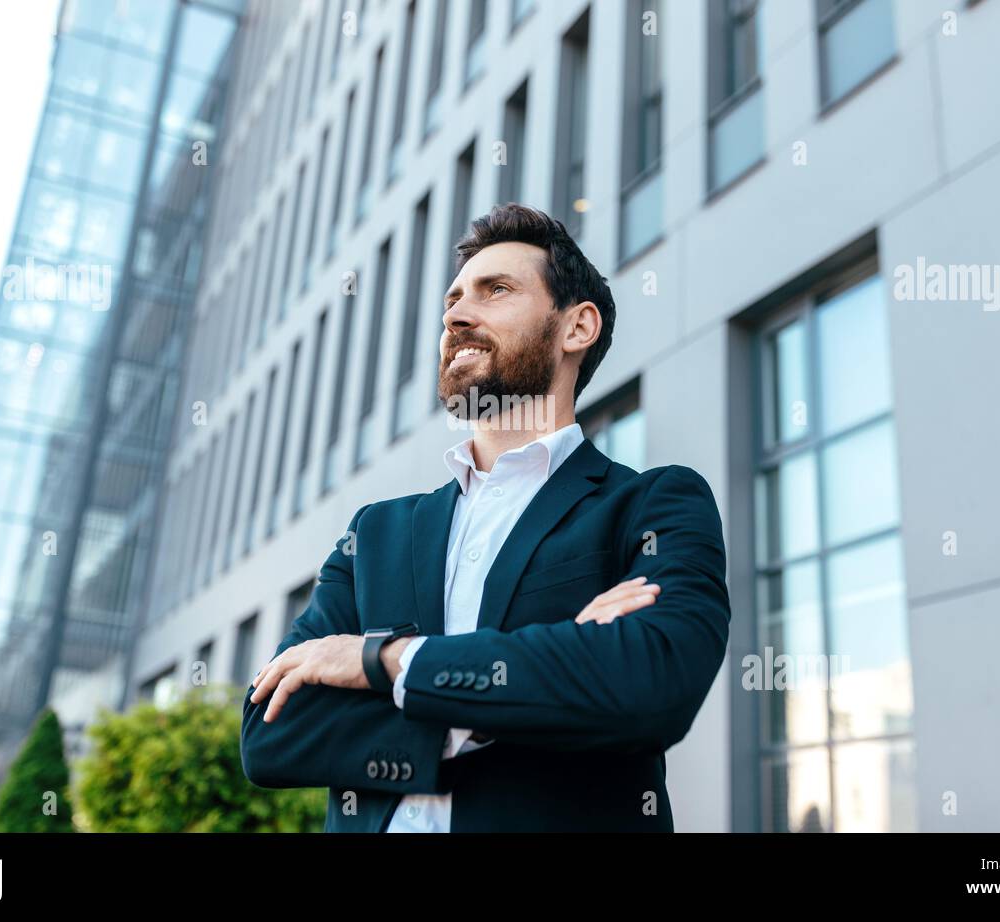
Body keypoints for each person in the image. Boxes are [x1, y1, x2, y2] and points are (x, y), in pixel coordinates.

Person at [242, 203, 731, 832]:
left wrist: (381, 664)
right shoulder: (376, 533)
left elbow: (651, 683)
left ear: (576, 327)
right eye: (453, 299)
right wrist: (555, 669)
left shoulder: (653, 504)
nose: (456, 315)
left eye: (495, 290)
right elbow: (272, 733)